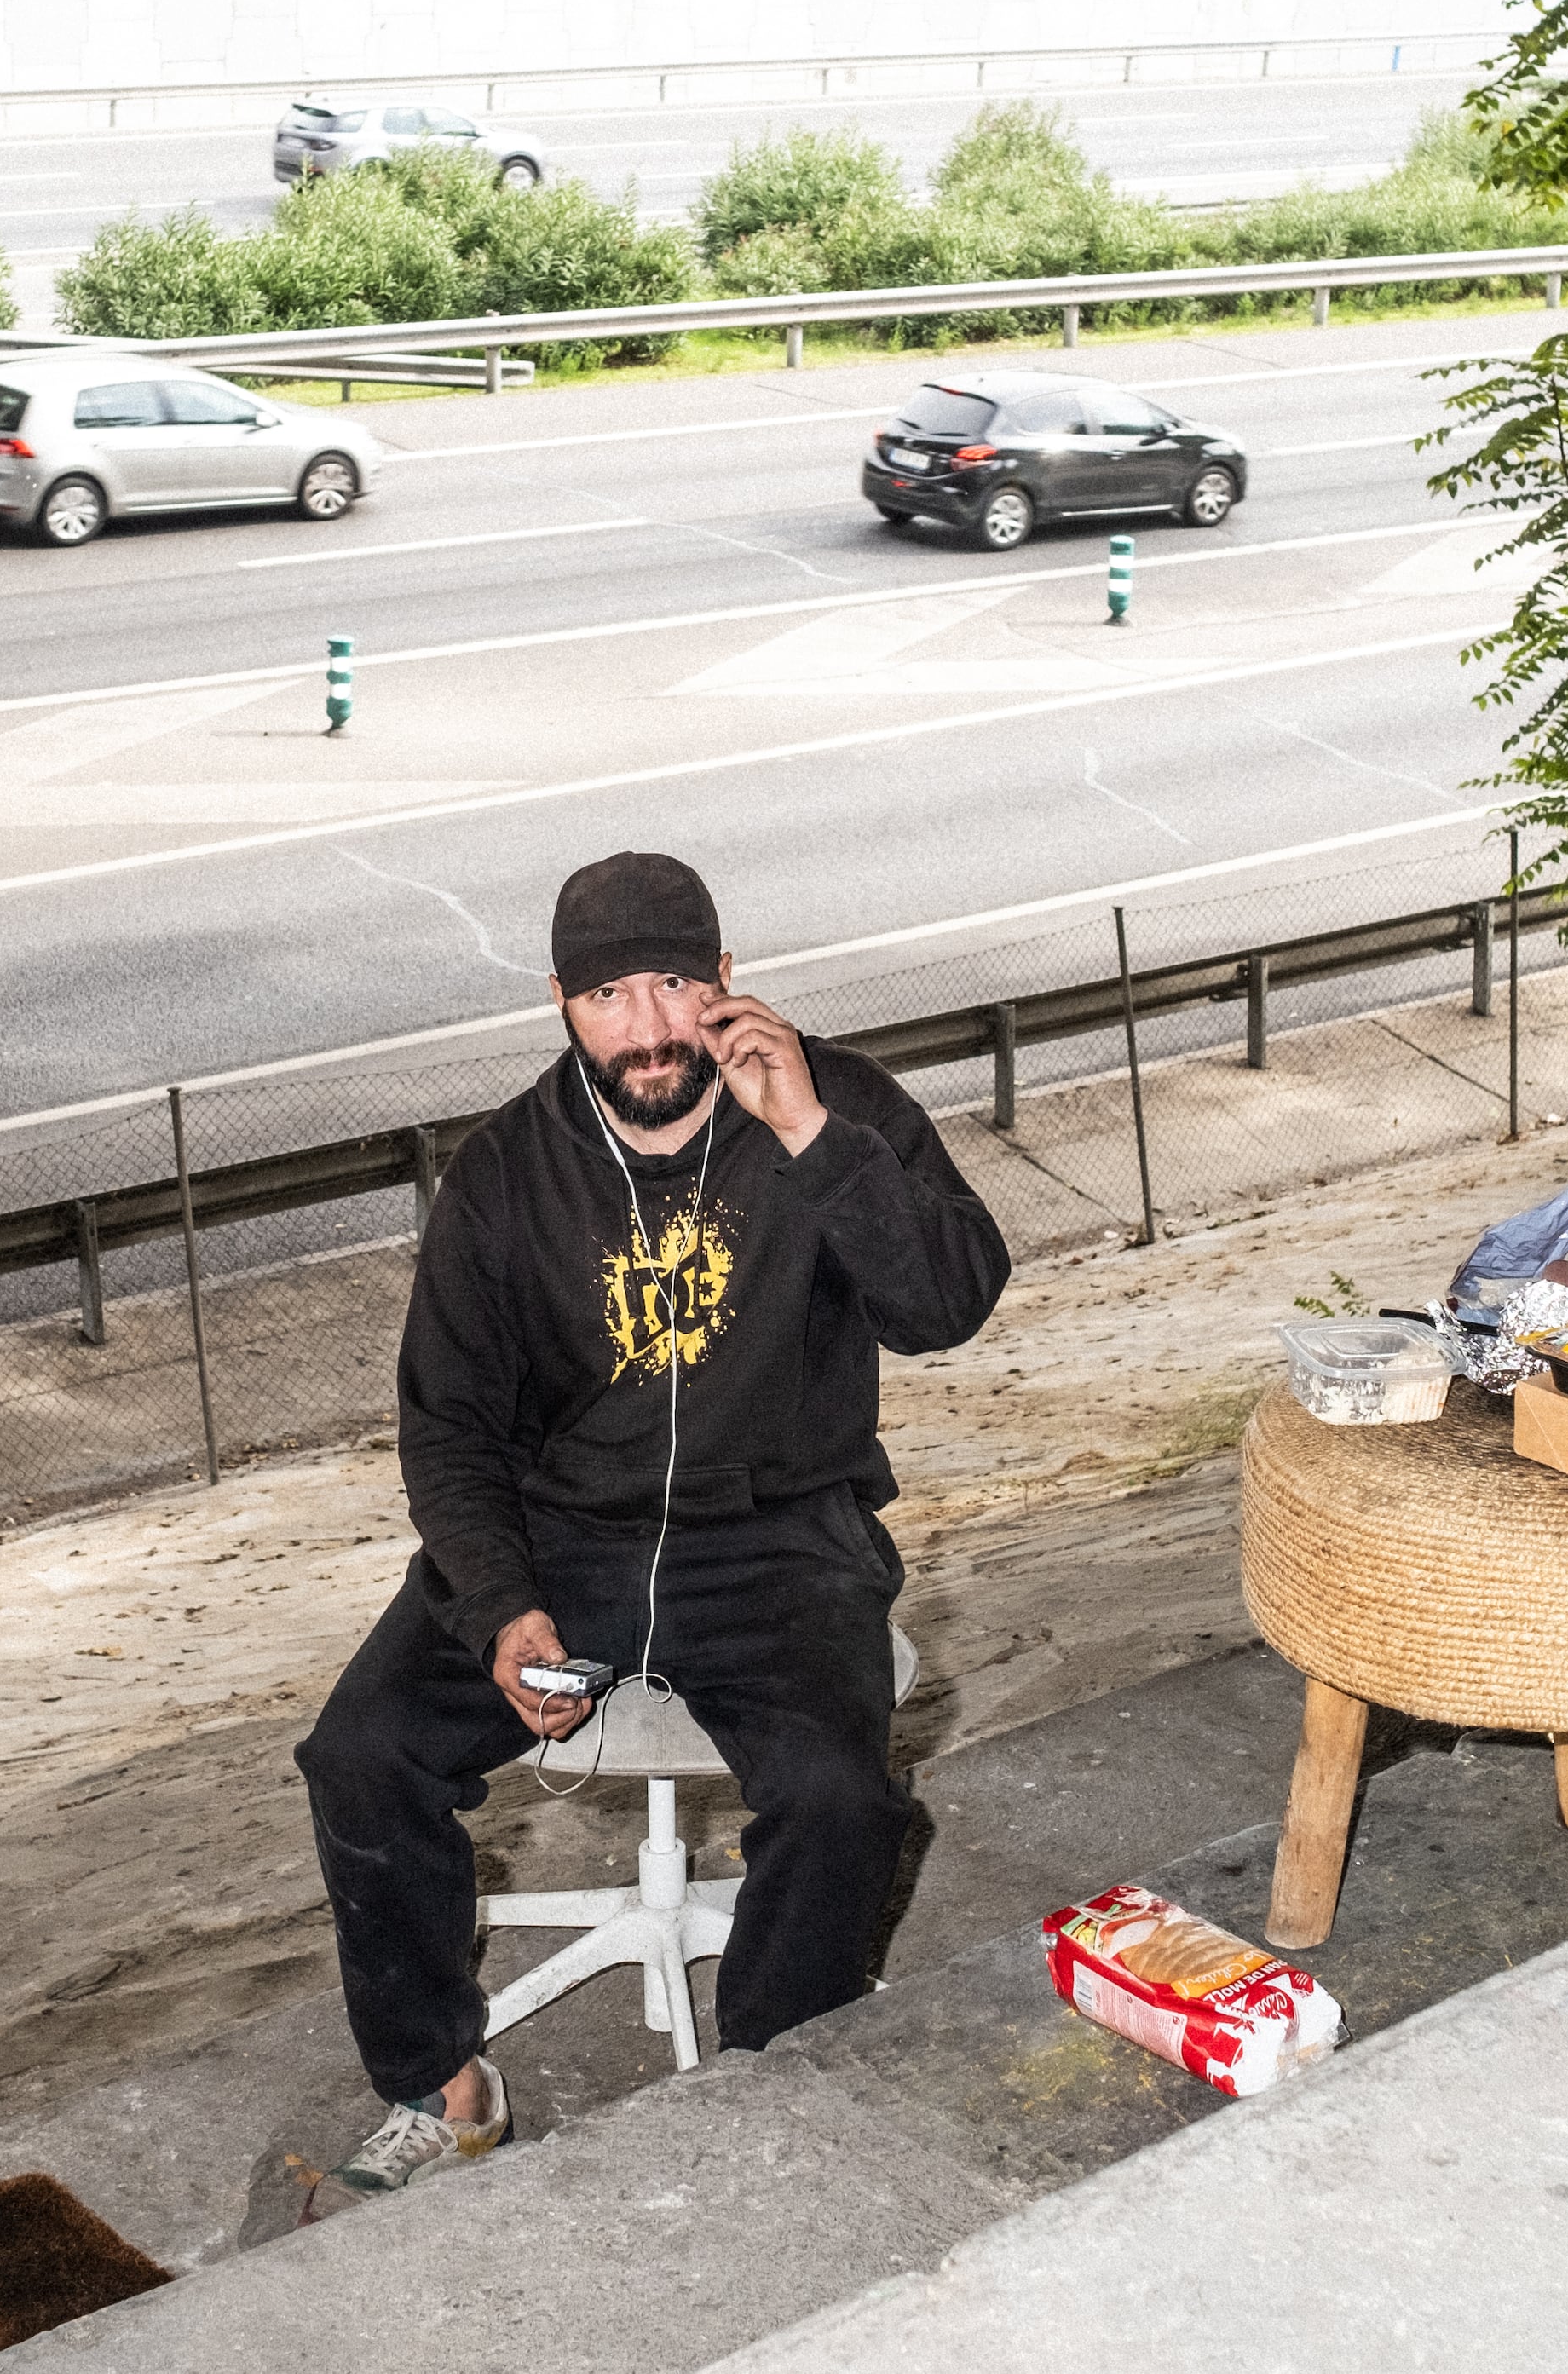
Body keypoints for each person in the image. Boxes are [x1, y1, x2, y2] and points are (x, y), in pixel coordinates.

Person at [295, 850, 1012, 2197]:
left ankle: (772, 2076)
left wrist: (810, 1137)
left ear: (727, 982)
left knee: (841, 1796)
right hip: (560, 1534)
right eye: (611, 996)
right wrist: (502, 1605)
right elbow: (447, 1426)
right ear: (561, 1003)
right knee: (362, 1752)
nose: (649, 1027)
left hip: (779, 1534)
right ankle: (442, 2083)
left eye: (677, 984)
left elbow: (951, 1302)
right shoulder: (506, 1172)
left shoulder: (832, 1101)